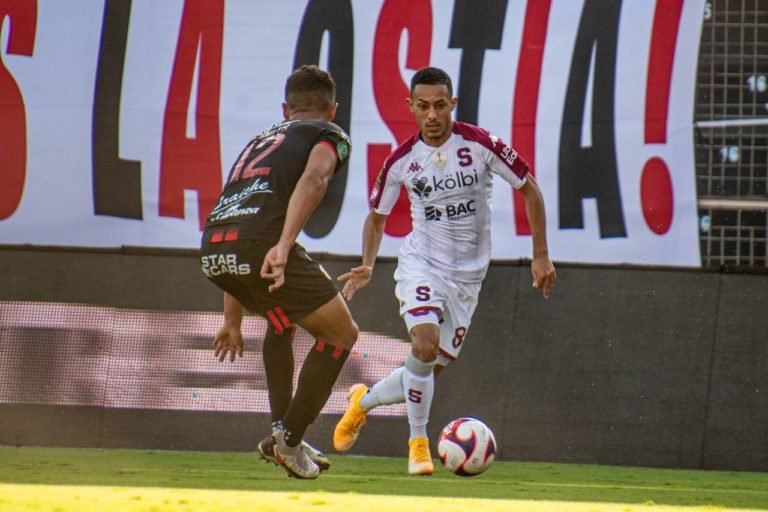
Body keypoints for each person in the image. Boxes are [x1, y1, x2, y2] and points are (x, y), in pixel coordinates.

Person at [333, 66, 556, 475]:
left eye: (440, 105)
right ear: (411, 107)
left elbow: (530, 188)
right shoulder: (401, 160)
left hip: (468, 279)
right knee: (424, 345)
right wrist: (367, 264)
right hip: (422, 265)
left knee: (424, 370)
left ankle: (361, 401)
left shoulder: (480, 143)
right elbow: (376, 217)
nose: (432, 114)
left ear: (452, 104)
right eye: (423, 106)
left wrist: (540, 253)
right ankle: (418, 443)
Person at [200, 64, 357, 480]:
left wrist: (231, 320)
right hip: (260, 243)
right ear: (333, 109)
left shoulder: (259, 139)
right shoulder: (330, 135)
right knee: (342, 334)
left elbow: (239, 216)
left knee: (281, 321)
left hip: (214, 248)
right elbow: (315, 179)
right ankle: (288, 441)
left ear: (285, 108)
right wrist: (284, 245)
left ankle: (283, 433)